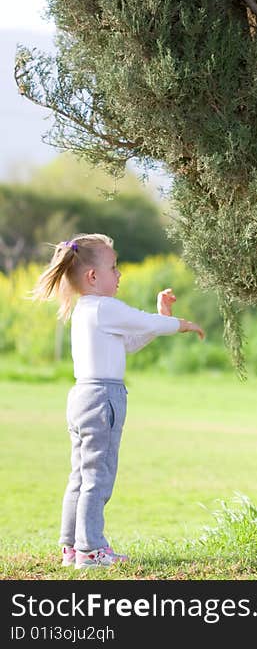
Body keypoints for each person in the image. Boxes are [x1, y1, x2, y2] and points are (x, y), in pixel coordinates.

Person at [31, 233, 205, 569]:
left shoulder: (87, 310)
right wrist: (178, 324)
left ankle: (72, 547)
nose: (119, 274)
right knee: (98, 476)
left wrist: (160, 318)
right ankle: (91, 549)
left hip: (82, 396)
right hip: (102, 399)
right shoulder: (104, 307)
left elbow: (130, 341)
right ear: (92, 276)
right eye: (114, 267)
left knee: (80, 476)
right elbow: (142, 322)